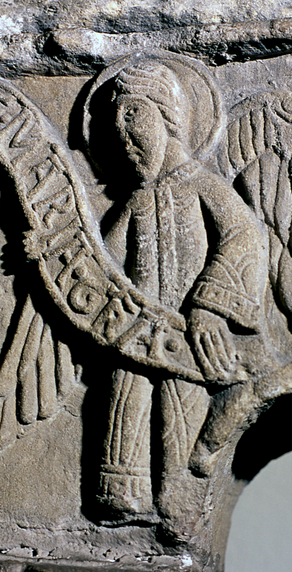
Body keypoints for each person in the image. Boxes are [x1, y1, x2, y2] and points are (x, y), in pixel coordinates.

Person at [98, 59, 264, 521]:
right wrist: (51, 252)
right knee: (125, 406)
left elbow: (244, 236)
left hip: (186, 342)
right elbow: (101, 262)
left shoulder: (203, 186)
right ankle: (124, 496)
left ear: (168, 116)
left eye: (133, 115)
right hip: (134, 338)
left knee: (181, 427)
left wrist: (210, 307)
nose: (123, 134)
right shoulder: (135, 201)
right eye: (115, 125)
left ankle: (179, 504)